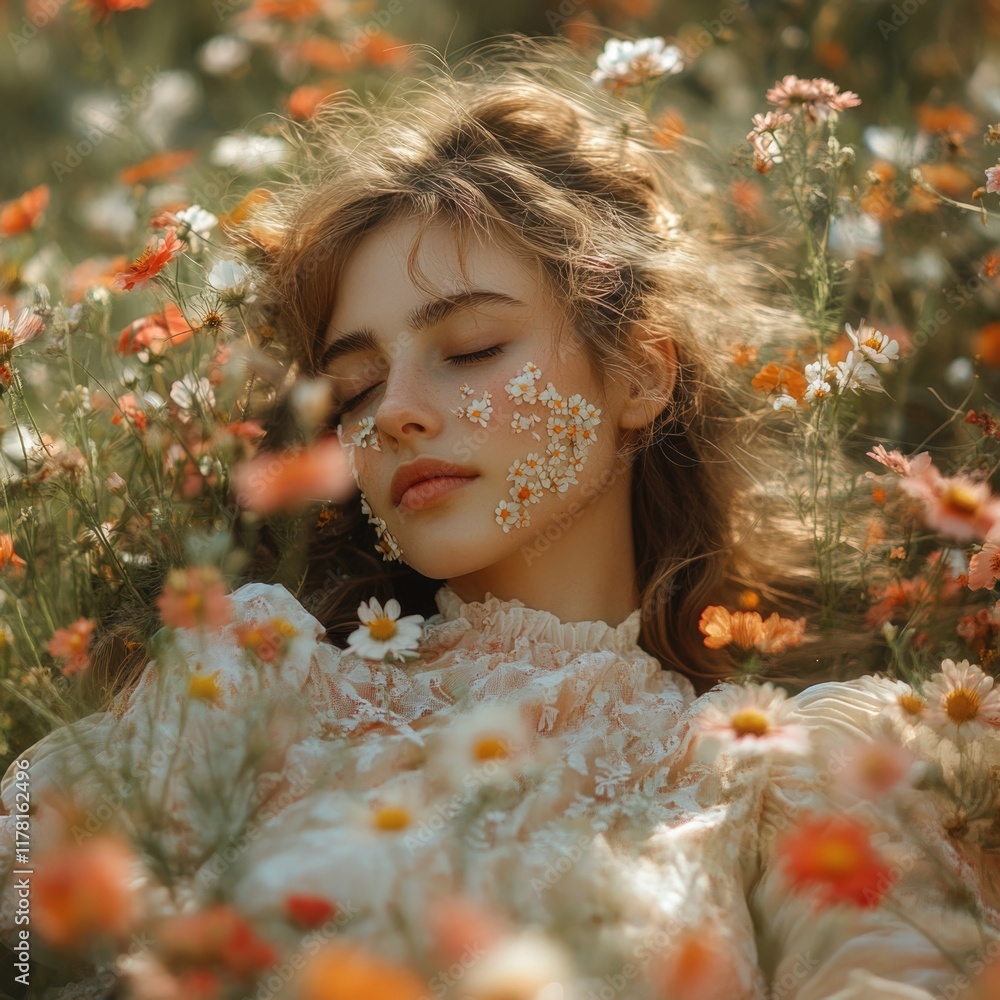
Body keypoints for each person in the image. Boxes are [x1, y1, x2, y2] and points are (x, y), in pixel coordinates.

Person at [1, 35, 997, 1000]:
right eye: (353, 385)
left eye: (470, 347)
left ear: (641, 372)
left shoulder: (780, 777)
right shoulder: (248, 691)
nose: (393, 409)